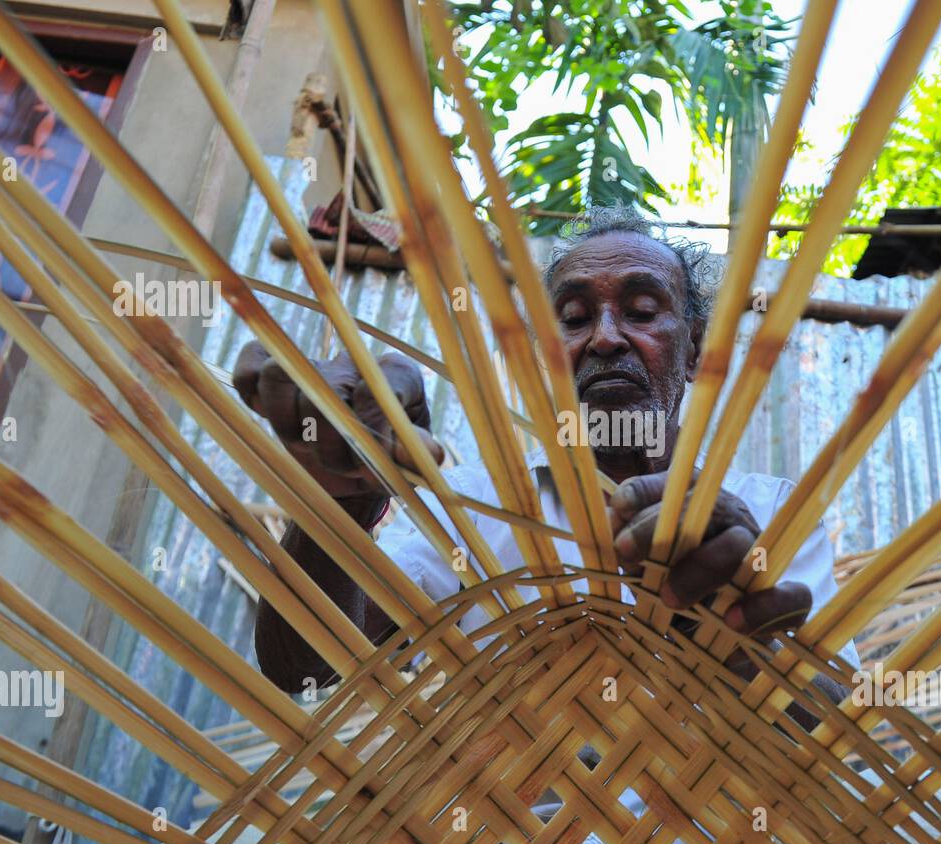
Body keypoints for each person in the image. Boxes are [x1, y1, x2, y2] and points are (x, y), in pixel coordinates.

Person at [232, 206, 860, 736]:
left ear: (694, 346)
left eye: (641, 311)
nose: (606, 338)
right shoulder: (472, 505)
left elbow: (830, 723)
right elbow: (307, 671)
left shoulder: (772, 512)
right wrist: (342, 498)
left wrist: (729, 639)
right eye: (574, 319)